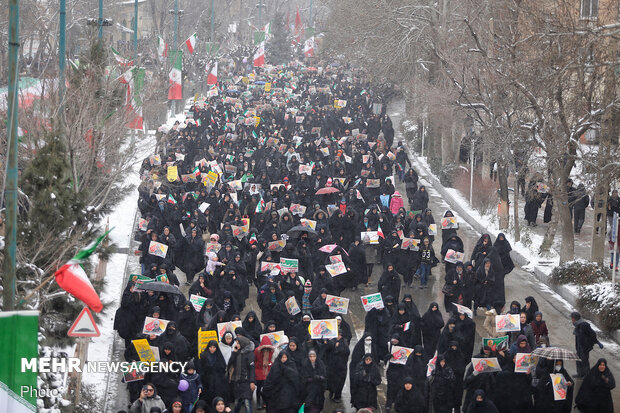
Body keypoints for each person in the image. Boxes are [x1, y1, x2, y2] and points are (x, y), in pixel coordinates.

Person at [227, 330, 256, 413]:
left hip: (246, 382)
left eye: (238, 343)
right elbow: (230, 364)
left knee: (247, 402)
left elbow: (252, 368)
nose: (236, 345)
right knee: (237, 402)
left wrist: (252, 381)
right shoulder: (237, 353)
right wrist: (234, 353)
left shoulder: (249, 354)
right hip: (238, 382)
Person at [571, 311, 603, 377]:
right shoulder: (577, 325)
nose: (571, 320)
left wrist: (597, 342)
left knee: (584, 361)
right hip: (579, 346)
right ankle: (580, 373)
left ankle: (587, 375)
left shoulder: (584, 325)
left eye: (572, 318)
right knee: (578, 359)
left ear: (574, 318)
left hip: (584, 347)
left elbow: (592, 334)